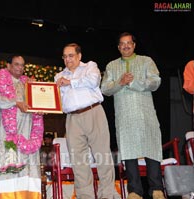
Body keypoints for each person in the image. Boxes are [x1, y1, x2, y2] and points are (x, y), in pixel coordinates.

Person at [101, 32, 164, 199]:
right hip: (124, 115)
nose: (126, 46)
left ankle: (157, 188)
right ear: (118, 47)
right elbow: (105, 89)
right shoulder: (111, 65)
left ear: (134, 45)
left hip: (145, 113)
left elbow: (155, 81)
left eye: (129, 43)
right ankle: (134, 191)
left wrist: (134, 82)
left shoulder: (146, 61)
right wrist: (119, 83)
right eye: (122, 44)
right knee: (128, 151)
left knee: (151, 147)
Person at [55, 43, 118, 199]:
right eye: (65, 56)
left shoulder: (90, 67)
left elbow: (93, 81)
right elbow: (56, 100)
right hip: (72, 119)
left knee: (102, 154)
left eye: (71, 55)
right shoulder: (58, 77)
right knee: (78, 160)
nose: (67, 59)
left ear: (79, 56)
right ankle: (85, 196)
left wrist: (70, 82)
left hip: (93, 112)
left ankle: (107, 194)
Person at [0, 55, 44, 199]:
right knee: (9, 165)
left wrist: (40, 107)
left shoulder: (29, 84)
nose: (20, 68)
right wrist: (15, 102)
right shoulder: (0, 82)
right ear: (8, 66)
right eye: (16, 64)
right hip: (9, 134)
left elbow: (37, 103)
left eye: (22, 65)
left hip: (27, 131)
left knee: (28, 167)